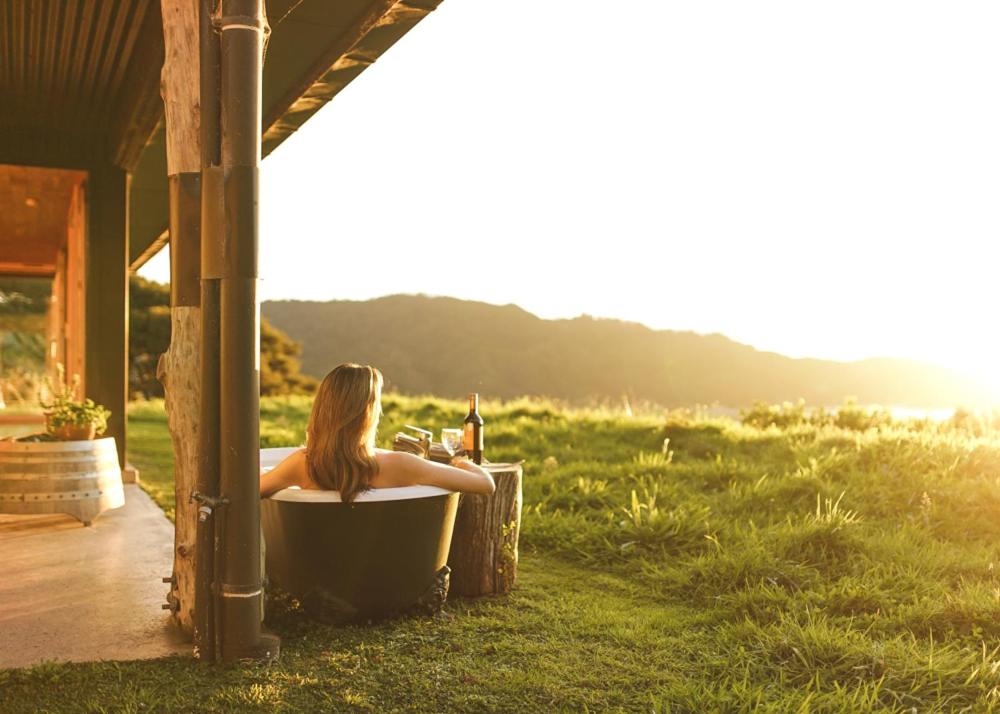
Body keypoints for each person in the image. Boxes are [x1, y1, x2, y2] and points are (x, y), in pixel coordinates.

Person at [260, 363, 495, 500]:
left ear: (323, 409)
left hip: (317, 575)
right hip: (383, 572)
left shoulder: (302, 463)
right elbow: (485, 484)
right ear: (368, 412)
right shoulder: (402, 465)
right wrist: (461, 463)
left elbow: (247, 492)